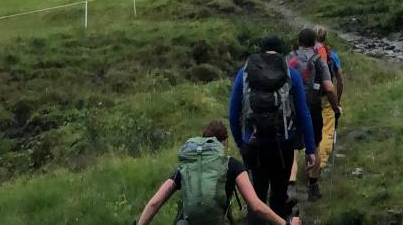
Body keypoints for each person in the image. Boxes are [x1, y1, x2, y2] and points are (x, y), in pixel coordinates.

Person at [134, 120, 299, 225]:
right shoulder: (232, 165)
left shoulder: (187, 164)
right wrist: (284, 223)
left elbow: (155, 202)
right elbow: (255, 205)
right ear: (224, 142)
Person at [229, 36, 317, 222]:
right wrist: (310, 149)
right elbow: (303, 113)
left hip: (252, 143)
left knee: (255, 199)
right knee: (278, 197)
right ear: (281, 52)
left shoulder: (244, 74)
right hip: (282, 144)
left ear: (262, 52)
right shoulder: (290, 74)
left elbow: (233, 112)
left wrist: (240, 142)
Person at [287, 27, 341, 201]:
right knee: (315, 144)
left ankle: (291, 185)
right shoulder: (319, 60)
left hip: (291, 108)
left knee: (293, 147)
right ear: (314, 43)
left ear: (298, 41)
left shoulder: (289, 58)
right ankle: (313, 185)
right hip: (313, 107)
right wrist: (335, 106)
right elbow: (329, 87)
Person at [315, 26, 344, 169]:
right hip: (326, 95)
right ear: (325, 38)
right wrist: (337, 101)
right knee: (327, 128)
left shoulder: (306, 53)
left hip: (310, 96)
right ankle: (321, 163)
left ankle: (310, 161)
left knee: (313, 128)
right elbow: (339, 79)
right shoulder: (331, 55)